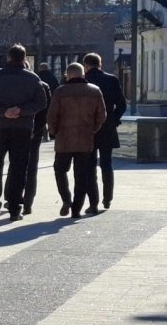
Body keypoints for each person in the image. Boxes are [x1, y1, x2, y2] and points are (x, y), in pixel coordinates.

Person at [0, 44, 47, 221]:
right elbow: (41, 102)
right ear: (24, 59)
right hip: (23, 127)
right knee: (18, 167)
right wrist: (21, 110)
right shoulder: (32, 78)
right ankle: (15, 207)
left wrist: (2, 111)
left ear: (8, 58)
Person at [47, 63, 106, 218]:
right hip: (85, 139)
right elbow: (102, 115)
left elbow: (52, 116)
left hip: (64, 139)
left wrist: (53, 132)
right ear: (83, 74)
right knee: (81, 175)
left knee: (60, 170)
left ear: (68, 75)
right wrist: (92, 129)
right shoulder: (94, 91)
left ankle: (66, 199)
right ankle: (76, 208)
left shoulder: (60, 92)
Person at [83, 53, 127, 212]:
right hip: (107, 125)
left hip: (87, 126)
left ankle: (92, 203)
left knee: (89, 165)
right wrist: (114, 119)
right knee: (107, 164)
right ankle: (107, 199)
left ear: (86, 66)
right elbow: (122, 104)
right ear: (99, 64)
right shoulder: (112, 79)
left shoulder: (84, 81)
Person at [21, 63, 52, 215]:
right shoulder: (44, 85)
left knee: (16, 165)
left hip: (18, 130)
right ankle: (28, 203)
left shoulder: (18, 86)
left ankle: (13, 198)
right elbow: (47, 110)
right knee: (32, 166)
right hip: (36, 131)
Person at [36, 63, 60, 142]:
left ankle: (44, 135)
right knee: (51, 117)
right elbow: (57, 87)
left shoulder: (38, 77)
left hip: (40, 100)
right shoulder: (52, 77)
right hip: (52, 100)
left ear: (40, 68)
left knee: (42, 118)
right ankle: (52, 134)